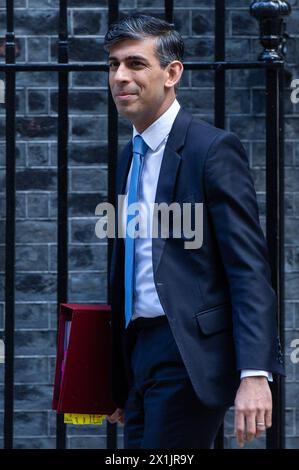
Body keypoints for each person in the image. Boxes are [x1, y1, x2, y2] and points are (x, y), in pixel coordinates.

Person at [103, 13, 284, 449]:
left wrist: (255, 374)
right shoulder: (130, 157)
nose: (120, 77)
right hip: (137, 353)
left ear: (172, 73)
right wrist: (115, 375)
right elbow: (126, 266)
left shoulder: (212, 150)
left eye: (135, 63)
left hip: (187, 352)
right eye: (113, 65)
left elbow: (248, 270)